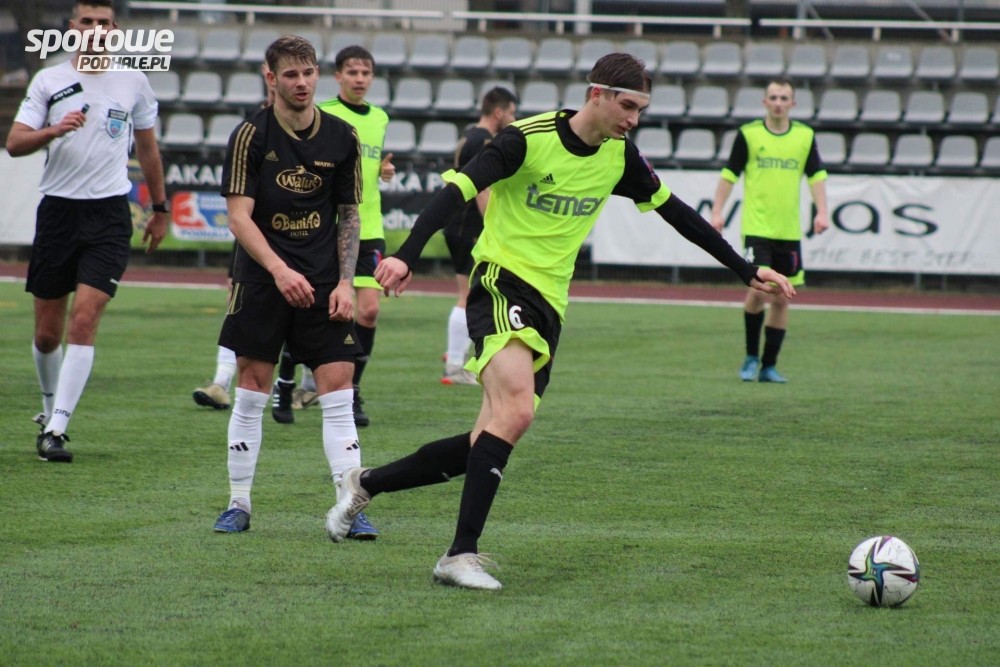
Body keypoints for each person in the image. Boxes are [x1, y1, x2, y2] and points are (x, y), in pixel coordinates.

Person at [324, 53, 796, 590]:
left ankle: (366, 483)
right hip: (500, 282)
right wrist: (407, 254)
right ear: (597, 94)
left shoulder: (619, 155)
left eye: (640, 110)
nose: (633, 119)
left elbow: (678, 213)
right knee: (517, 411)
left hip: (550, 305)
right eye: (627, 106)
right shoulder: (527, 139)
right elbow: (456, 191)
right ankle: (459, 555)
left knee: (488, 436)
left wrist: (745, 269)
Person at [211, 35, 375, 539]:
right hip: (262, 279)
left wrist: (346, 282)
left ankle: (350, 506)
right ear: (271, 78)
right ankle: (239, 503)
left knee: (339, 389)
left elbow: (349, 215)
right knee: (252, 389)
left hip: (324, 281)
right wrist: (280, 271)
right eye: (290, 75)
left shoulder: (342, 136)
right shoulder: (250, 135)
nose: (301, 83)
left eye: (308, 73)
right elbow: (238, 218)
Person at [6, 0, 168, 463]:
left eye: (104, 22)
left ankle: (57, 428)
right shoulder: (49, 79)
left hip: (109, 216)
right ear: (72, 28)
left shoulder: (133, 81)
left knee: (84, 318)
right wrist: (54, 130)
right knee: (46, 335)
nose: (95, 29)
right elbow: (15, 143)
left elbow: (148, 150)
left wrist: (160, 208)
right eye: (87, 22)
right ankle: (47, 407)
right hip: (58, 214)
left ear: (114, 29)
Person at [710, 77, 829, 383]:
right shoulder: (749, 134)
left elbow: (816, 176)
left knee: (782, 297)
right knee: (758, 290)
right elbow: (729, 174)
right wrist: (717, 210)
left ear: (792, 103)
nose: (778, 103)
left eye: (783, 98)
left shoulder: (804, 136)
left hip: (789, 232)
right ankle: (751, 356)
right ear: (765, 102)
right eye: (773, 97)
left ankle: (769, 366)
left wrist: (822, 211)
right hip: (757, 228)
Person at [193, 63, 275, 411]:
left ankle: (301, 386)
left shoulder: (317, 126)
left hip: (303, 238)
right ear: (268, 74)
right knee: (238, 306)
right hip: (251, 233)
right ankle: (221, 382)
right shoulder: (251, 127)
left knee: (307, 310)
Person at [441, 86, 518, 386]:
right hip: (468, 226)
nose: (514, 119)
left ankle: (457, 358)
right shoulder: (484, 141)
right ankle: (455, 365)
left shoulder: (468, 137)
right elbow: (482, 189)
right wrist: (493, 227)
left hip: (458, 224)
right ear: (498, 112)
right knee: (468, 295)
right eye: (511, 113)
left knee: (470, 293)